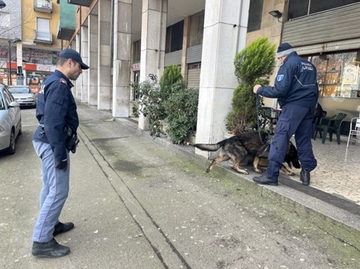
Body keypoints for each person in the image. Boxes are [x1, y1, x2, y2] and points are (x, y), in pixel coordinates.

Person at [31, 49, 89, 258]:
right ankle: (41, 241)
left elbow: (42, 115)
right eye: (80, 67)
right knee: (58, 191)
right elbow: (53, 122)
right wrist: (59, 154)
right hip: (51, 143)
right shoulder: (59, 85)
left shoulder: (51, 81)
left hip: (45, 140)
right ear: (70, 63)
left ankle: (51, 224)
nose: (81, 71)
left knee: (49, 187)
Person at [252, 43, 318, 187]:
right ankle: (306, 172)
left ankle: (271, 175)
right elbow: (315, 89)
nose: (280, 61)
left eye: (279, 59)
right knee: (304, 140)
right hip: (308, 108)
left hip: (293, 107)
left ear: (283, 56)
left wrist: (260, 90)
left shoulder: (288, 64)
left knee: (280, 138)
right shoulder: (309, 65)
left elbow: (279, 90)